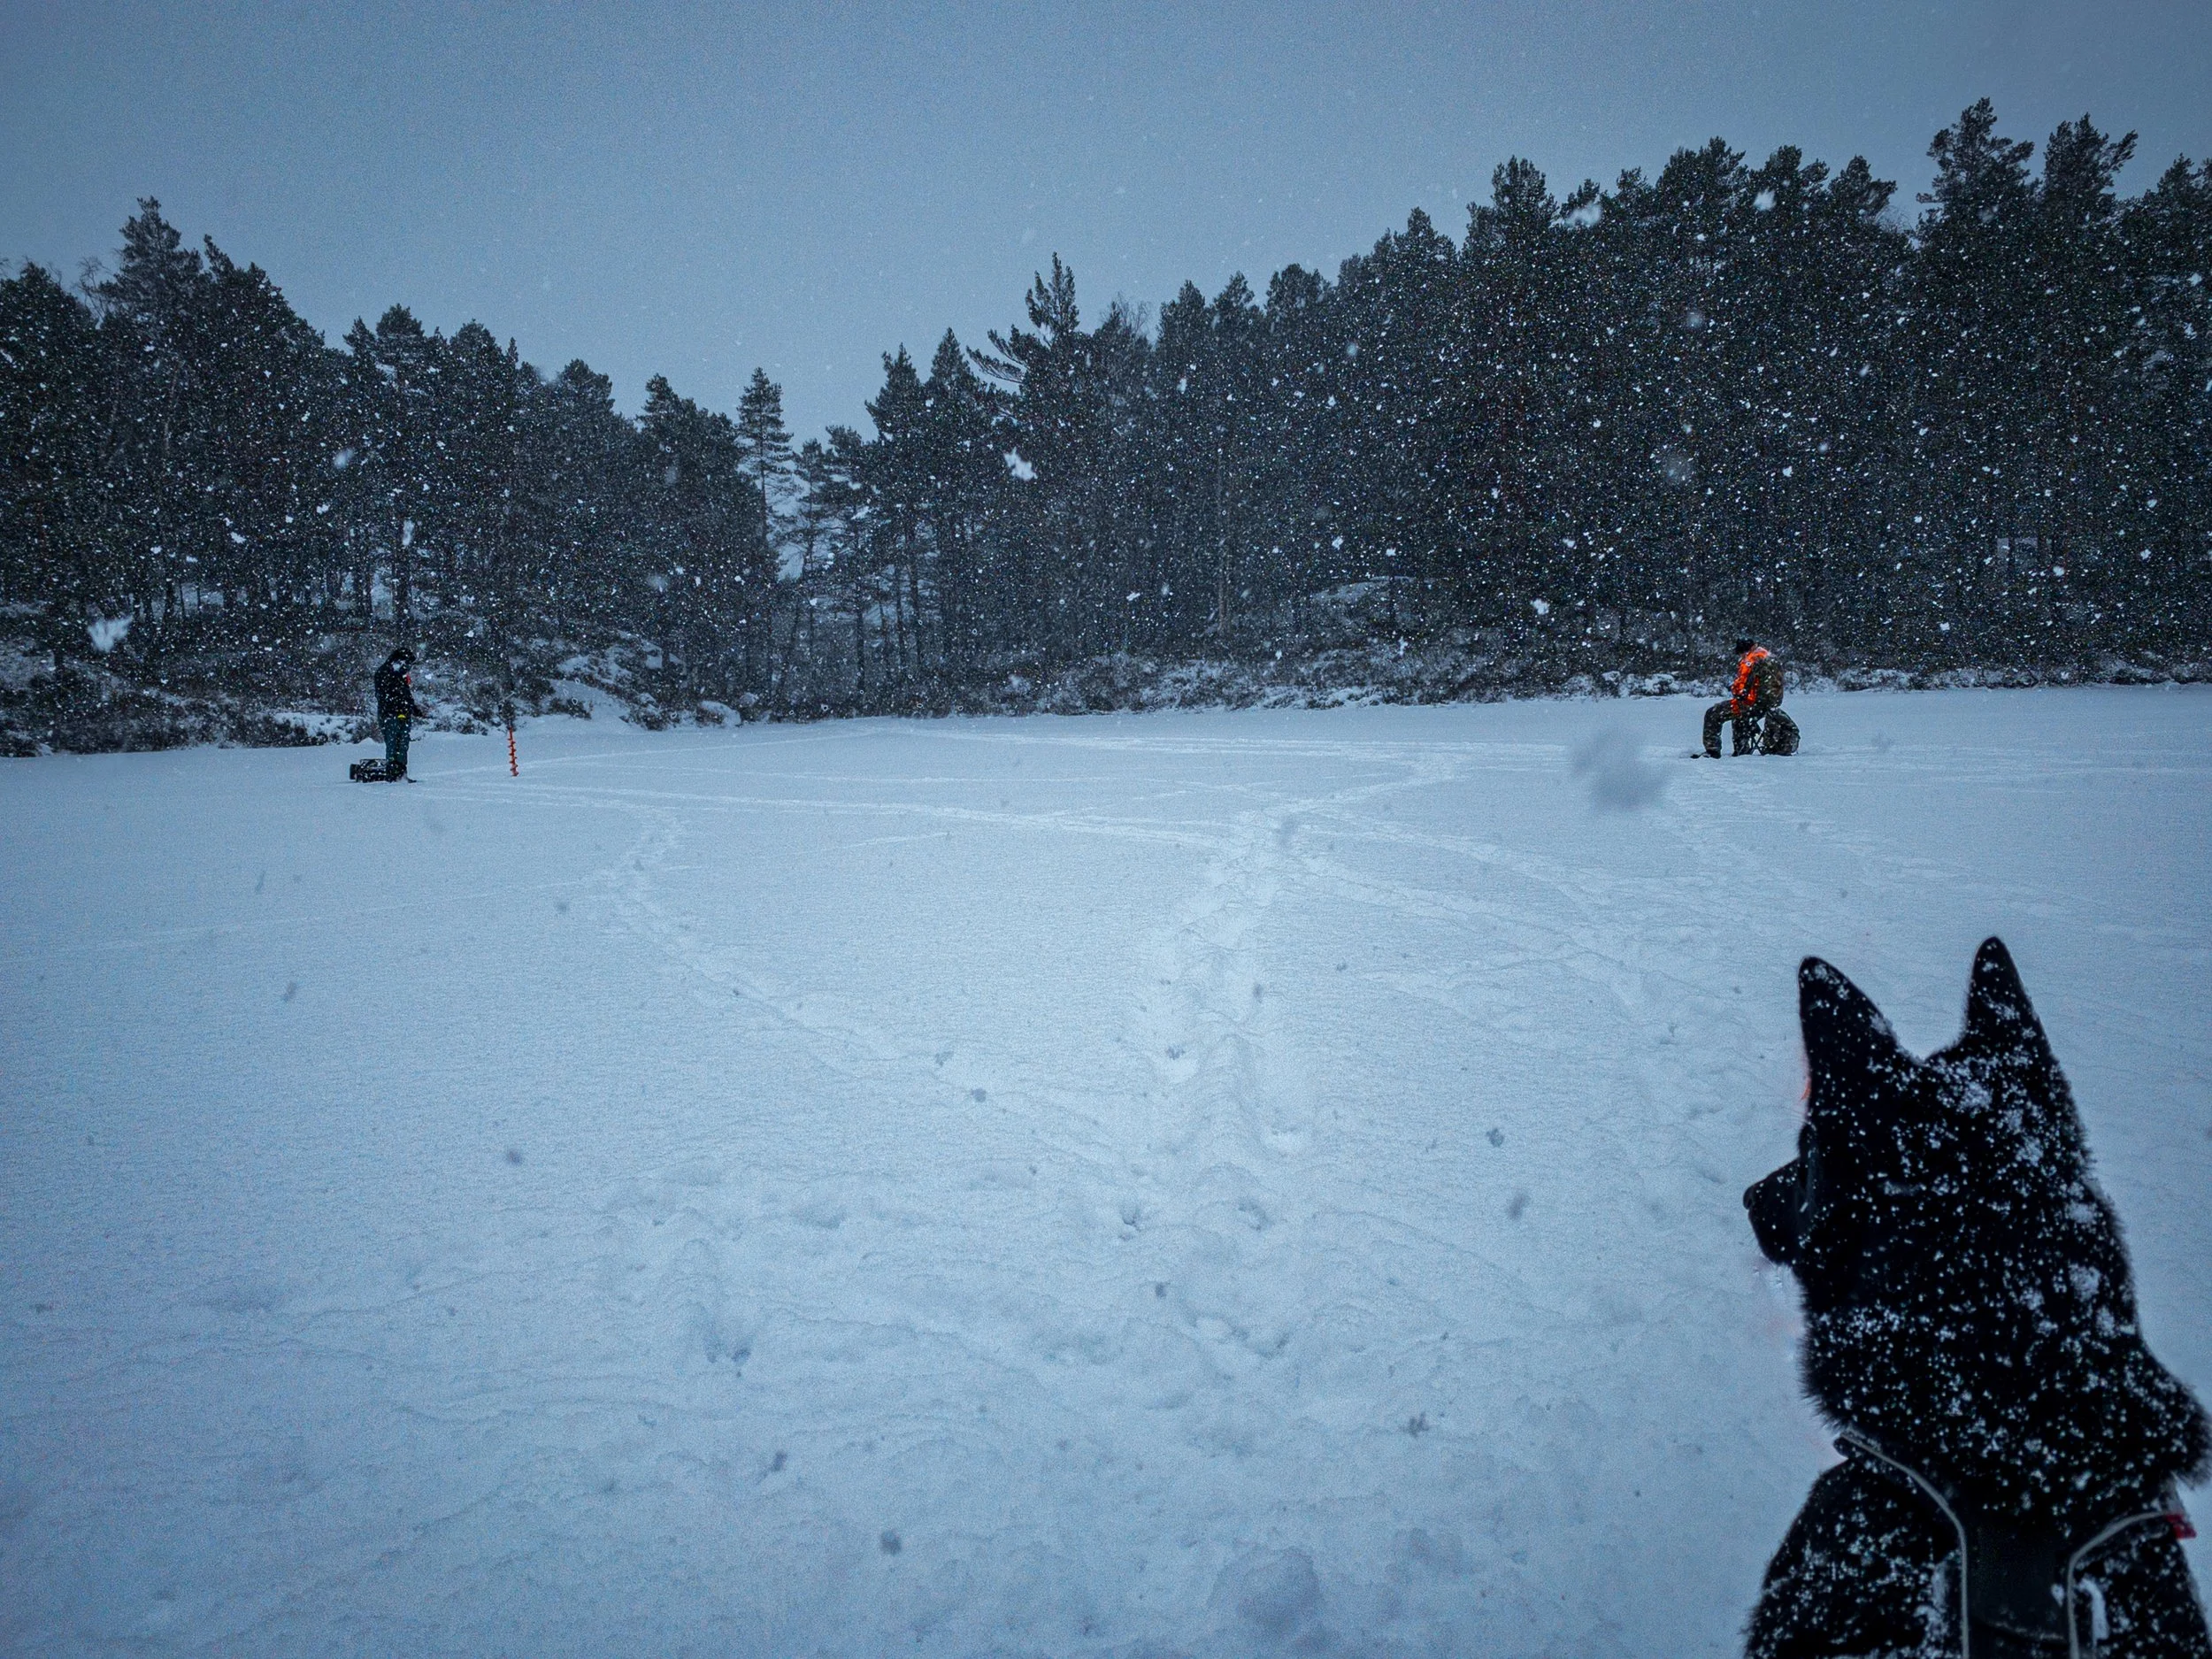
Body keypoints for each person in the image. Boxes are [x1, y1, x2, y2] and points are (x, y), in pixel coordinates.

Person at [1702, 637, 1786, 757]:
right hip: (1770, 704)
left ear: (1746, 650)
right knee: (1739, 717)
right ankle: (1742, 749)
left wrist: (1735, 689)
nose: (1741, 656)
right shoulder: (1769, 656)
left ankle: (1712, 750)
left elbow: (1742, 688)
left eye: (1741, 653)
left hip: (1752, 703)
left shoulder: (1751, 660)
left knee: (1713, 713)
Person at [373, 646, 429, 780]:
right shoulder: (385, 673)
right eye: (407, 662)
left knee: (403, 744)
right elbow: (384, 695)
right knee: (393, 743)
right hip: (389, 715)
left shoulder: (401, 675)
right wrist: (397, 706)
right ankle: (392, 772)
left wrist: (413, 710)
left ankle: (401, 773)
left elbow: (405, 695)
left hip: (402, 714)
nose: (408, 666)